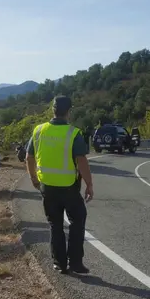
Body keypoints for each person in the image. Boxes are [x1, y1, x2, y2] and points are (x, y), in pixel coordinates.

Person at [25, 95, 94, 274]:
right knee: (77, 220)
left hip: (47, 186)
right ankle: (76, 262)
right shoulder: (73, 133)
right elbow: (82, 161)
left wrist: (33, 179)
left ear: (52, 110)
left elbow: (29, 157)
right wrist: (89, 184)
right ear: (69, 111)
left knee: (55, 224)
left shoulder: (39, 131)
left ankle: (59, 264)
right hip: (68, 187)